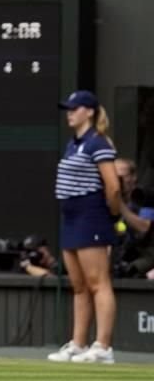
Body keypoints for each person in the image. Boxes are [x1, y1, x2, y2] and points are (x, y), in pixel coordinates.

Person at [49, 91, 121, 364]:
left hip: (91, 216)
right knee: (78, 286)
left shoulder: (98, 143)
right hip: (71, 218)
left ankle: (103, 346)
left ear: (89, 112)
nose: (69, 112)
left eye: (75, 108)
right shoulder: (73, 144)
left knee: (98, 283)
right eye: (68, 108)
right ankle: (78, 344)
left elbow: (113, 186)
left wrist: (112, 215)